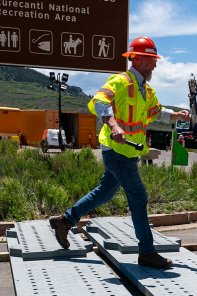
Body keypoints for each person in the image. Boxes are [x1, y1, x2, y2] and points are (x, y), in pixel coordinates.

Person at [49, 36, 189, 268]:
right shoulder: (121, 82)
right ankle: (146, 252)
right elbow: (99, 101)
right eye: (152, 60)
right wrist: (113, 125)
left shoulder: (147, 90)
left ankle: (65, 221)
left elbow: (155, 112)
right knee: (139, 196)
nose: (155, 65)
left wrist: (175, 115)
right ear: (139, 59)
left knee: (105, 192)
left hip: (128, 151)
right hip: (116, 150)